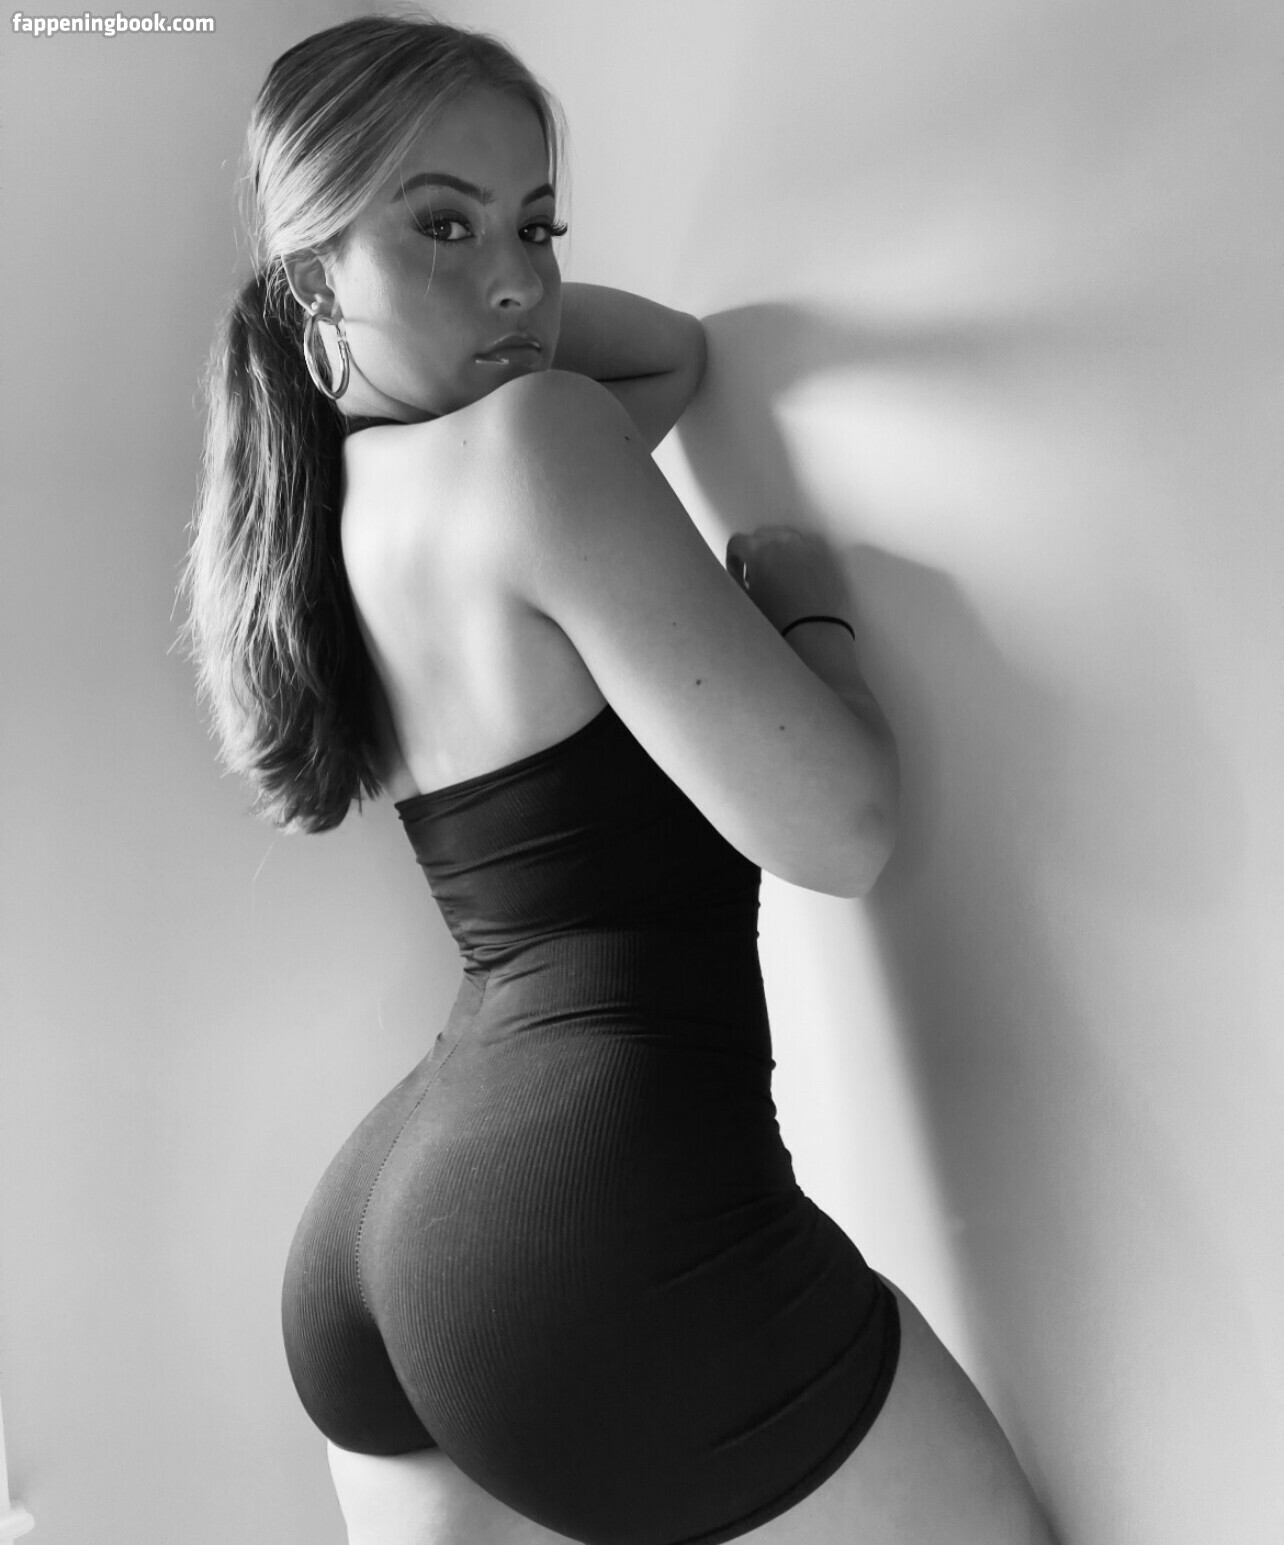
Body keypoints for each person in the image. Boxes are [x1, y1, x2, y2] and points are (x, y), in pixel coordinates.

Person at [183, 14, 1058, 1545]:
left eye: (538, 226)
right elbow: (844, 829)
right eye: (441, 223)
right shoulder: (535, 446)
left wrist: (429, 301)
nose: (517, 281)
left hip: (385, 1244)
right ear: (312, 275)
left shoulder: (328, 510)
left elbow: (672, 354)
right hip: (596, 1230)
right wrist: (810, 619)